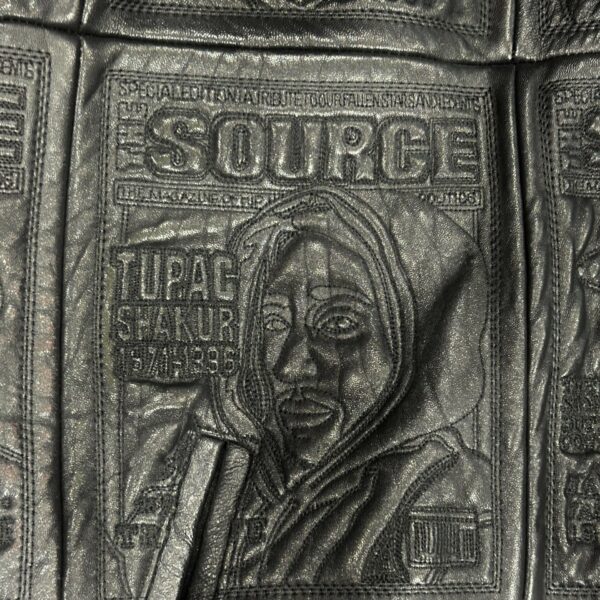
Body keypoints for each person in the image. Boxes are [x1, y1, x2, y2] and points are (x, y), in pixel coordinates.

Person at [135, 186, 493, 597]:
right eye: (272, 323)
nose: (290, 367)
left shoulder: (445, 493)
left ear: (413, 345)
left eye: (338, 323)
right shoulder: (230, 479)